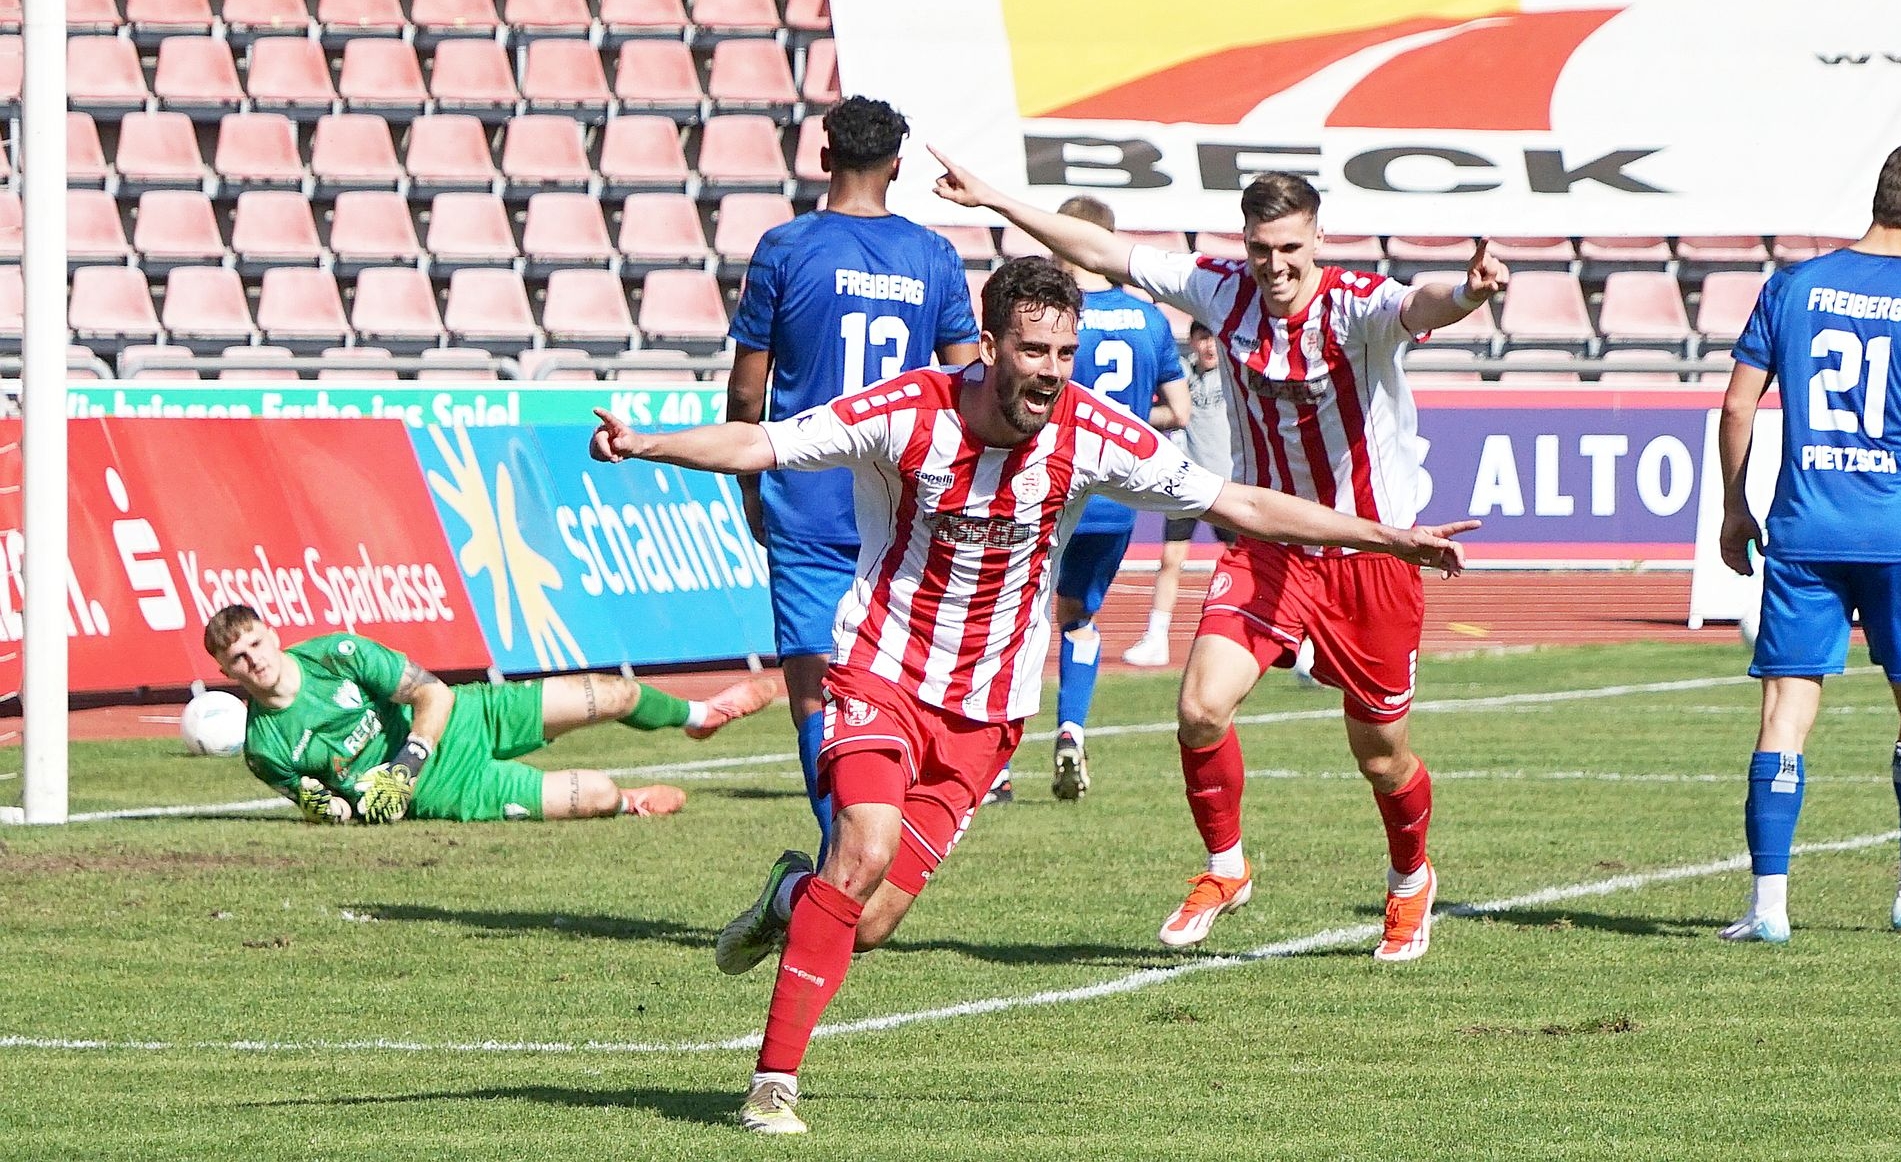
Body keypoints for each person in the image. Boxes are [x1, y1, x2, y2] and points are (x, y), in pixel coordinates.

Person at [588, 257, 1477, 1134]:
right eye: (1033, 350)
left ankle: (789, 897)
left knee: (870, 921)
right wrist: (646, 445)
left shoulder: (1092, 431)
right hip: (879, 672)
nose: (1051, 371)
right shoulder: (910, 411)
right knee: (863, 848)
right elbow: (763, 442)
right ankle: (772, 1085)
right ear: (989, 347)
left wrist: (1387, 538)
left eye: (1063, 353)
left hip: (987, 714)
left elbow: (1239, 503)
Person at [929, 149, 1508, 962]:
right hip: (1267, 545)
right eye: (1262, 249)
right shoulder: (1220, 289)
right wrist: (994, 198)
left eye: (1291, 249)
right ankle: (1226, 867)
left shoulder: (1355, 305)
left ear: (1317, 241)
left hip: (1372, 555)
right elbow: (1100, 250)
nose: (1276, 266)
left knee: (1381, 757)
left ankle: (1411, 879)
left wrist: (1472, 294)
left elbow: (1422, 304)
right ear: (1245, 244)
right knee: (1200, 708)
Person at [725, 95, 981, 854]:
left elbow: (747, 392)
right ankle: (866, 853)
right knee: (890, 680)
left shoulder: (783, 248)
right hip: (904, 499)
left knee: (813, 690)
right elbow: (969, 385)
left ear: (824, 156)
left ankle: (841, 855)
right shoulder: (934, 256)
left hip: (806, 497)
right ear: (897, 166)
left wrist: (750, 485)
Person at [1716, 143, 1901, 943]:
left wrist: (1735, 508)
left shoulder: (1793, 285)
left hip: (1805, 528)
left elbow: (1738, 406)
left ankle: (1768, 906)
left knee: (1785, 710)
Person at [203, 604, 778, 825]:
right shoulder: (264, 749)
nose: (255, 660)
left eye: (256, 644)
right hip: (450, 789)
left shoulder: (336, 654)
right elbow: (326, 806)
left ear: (272, 634)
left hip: (470, 716)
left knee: (615, 695)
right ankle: (630, 803)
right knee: (597, 793)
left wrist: (405, 763)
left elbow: (435, 694)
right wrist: (334, 810)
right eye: (238, 659)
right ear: (226, 672)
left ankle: (700, 715)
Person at [981, 195, 1188, 806]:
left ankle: (995, 767)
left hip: (1047, 484)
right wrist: (1121, 425)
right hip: (1115, 497)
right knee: (1079, 618)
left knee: (1009, 616)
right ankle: (1071, 729)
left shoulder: (1051, 321)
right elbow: (1179, 411)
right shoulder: (1149, 319)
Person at [1124, 320, 1231, 669]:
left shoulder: (1231, 375)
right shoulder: (1183, 375)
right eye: (1202, 339)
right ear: (1193, 342)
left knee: (1248, 560)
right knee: (1171, 559)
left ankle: (1284, 636)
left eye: (1213, 339)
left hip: (1228, 485)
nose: (1209, 346)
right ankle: (1157, 638)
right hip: (1188, 485)